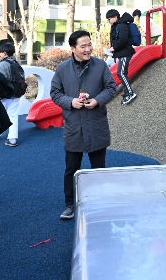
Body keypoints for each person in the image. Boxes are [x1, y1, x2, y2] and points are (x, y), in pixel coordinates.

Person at [50, 30, 117, 220]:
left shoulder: (100, 65)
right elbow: (55, 93)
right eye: (83, 46)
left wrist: (97, 100)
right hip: (74, 125)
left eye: (89, 45)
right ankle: (69, 204)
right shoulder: (62, 68)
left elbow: (111, 87)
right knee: (72, 168)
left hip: (96, 123)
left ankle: (99, 200)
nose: (88, 49)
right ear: (72, 48)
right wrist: (70, 102)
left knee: (98, 167)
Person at [107, 9, 137, 105]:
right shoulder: (117, 26)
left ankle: (130, 92)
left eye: (109, 19)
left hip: (125, 52)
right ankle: (127, 92)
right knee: (121, 72)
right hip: (122, 53)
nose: (109, 21)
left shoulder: (121, 25)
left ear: (115, 17)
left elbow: (123, 39)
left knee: (121, 72)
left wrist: (114, 48)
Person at [0, 44, 22, 147]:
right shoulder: (15, 62)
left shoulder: (3, 64)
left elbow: (1, 80)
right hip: (16, 93)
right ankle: (12, 140)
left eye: (0, 52)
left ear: (4, 53)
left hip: (5, 95)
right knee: (13, 116)